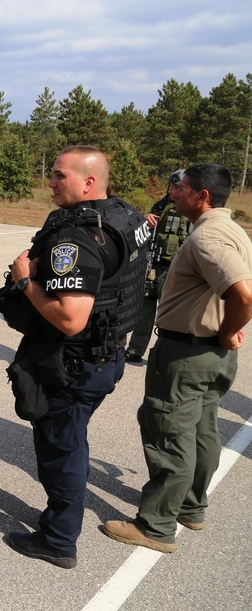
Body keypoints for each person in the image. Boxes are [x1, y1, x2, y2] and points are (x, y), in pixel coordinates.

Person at [1, 146, 149, 569]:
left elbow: (70, 318)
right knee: (73, 440)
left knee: (61, 448)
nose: (49, 183)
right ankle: (59, 518)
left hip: (75, 362)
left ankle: (58, 539)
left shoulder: (77, 237)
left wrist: (26, 281)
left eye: (58, 176)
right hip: (106, 356)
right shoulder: (124, 215)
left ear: (88, 182)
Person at [102, 163, 252, 553]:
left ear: (202, 196)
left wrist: (224, 327)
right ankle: (191, 506)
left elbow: (245, 294)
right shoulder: (231, 229)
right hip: (209, 354)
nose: (175, 193)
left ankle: (155, 525)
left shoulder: (209, 238)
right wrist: (228, 328)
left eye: (182, 189)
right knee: (202, 430)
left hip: (188, 351)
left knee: (169, 432)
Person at [126, 170, 191, 362]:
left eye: (178, 187)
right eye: (171, 186)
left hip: (175, 269)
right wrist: (144, 219)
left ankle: (169, 353)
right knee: (145, 310)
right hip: (152, 265)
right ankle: (135, 350)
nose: (172, 190)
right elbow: (140, 232)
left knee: (171, 313)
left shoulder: (190, 210)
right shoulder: (160, 206)